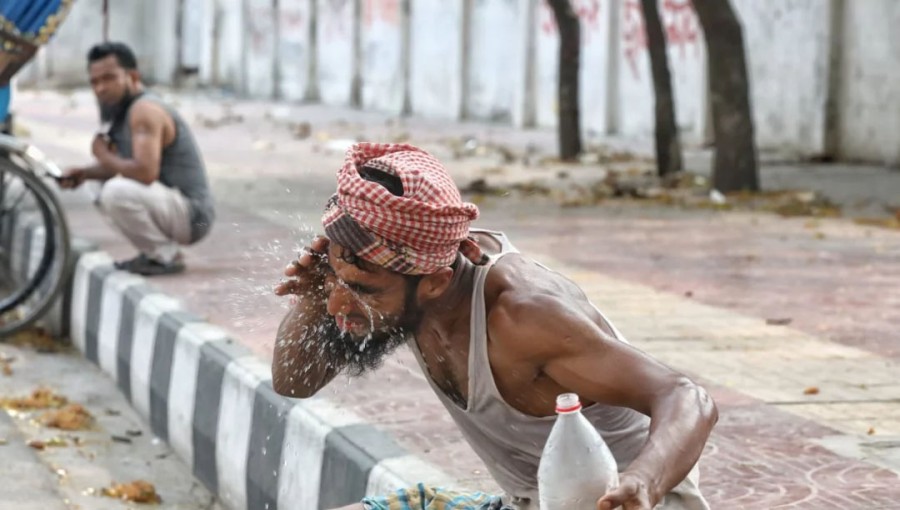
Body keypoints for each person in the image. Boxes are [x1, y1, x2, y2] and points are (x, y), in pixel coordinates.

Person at [272, 143, 717, 510]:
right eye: (335, 281)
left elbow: (686, 396)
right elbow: (293, 382)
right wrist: (312, 296)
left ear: (434, 283)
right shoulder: (408, 277)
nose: (338, 303)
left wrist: (644, 483)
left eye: (361, 289)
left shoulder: (523, 315)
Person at [59, 42, 215, 276]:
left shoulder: (144, 110)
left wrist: (103, 155)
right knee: (97, 185)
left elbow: (144, 172)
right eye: (95, 82)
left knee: (114, 191)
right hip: (174, 207)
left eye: (109, 78)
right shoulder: (124, 109)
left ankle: (165, 256)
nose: (101, 88)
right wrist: (84, 173)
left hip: (194, 216)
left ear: (132, 76)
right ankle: (154, 252)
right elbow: (124, 167)